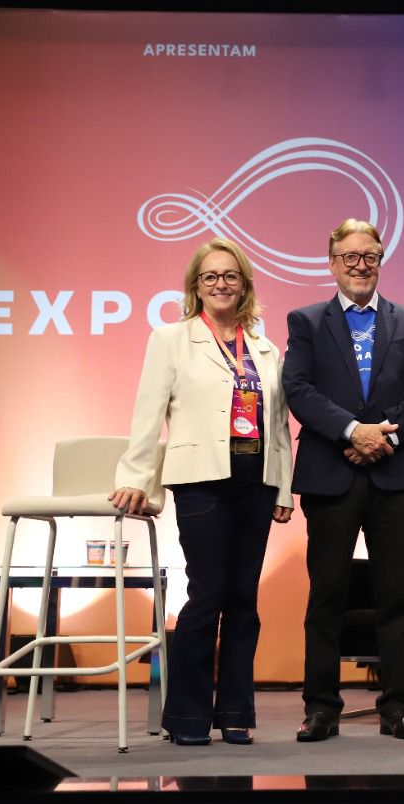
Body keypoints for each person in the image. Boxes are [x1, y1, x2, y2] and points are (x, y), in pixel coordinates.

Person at [111, 237, 294, 746]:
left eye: (230, 276)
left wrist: (284, 486)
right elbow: (148, 415)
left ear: (245, 286)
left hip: (255, 481)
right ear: (196, 285)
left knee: (244, 600)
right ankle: (188, 717)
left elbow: (277, 421)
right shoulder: (170, 339)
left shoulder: (264, 348)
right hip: (199, 480)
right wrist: (134, 477)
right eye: (210, 276)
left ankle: (236, 713)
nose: (221, 284)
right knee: (206, 593)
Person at [283, 218, 404, 742]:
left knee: (397, 597)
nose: (359, 264)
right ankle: (321, 707)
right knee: (327, 596)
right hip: (331, 473)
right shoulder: (305, 320)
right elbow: (297, 389)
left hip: (393, 475)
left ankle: (397, 706)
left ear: (380, 260)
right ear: (331, 263)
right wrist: (352, 430)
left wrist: (384, 438)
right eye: (348, 256)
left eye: (368, 255)